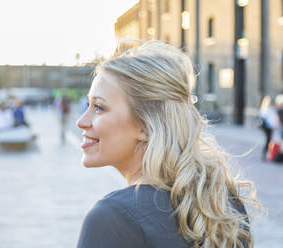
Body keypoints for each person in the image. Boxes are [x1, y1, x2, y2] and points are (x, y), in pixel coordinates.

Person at [76, 41, 260, 248]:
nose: (81, 121)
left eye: (99, 107)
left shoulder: (112, 219)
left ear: (145, 126)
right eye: (88, 105)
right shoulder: (222, 200)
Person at [259, 95, 278, 160]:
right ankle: (266, 153)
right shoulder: (269, 109)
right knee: (269, 140)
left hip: (266, 127)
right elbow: (271, 119)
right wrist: (274, 126)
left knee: (268, 140)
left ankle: (266, 153)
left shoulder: (263, 108)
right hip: (268, 127)